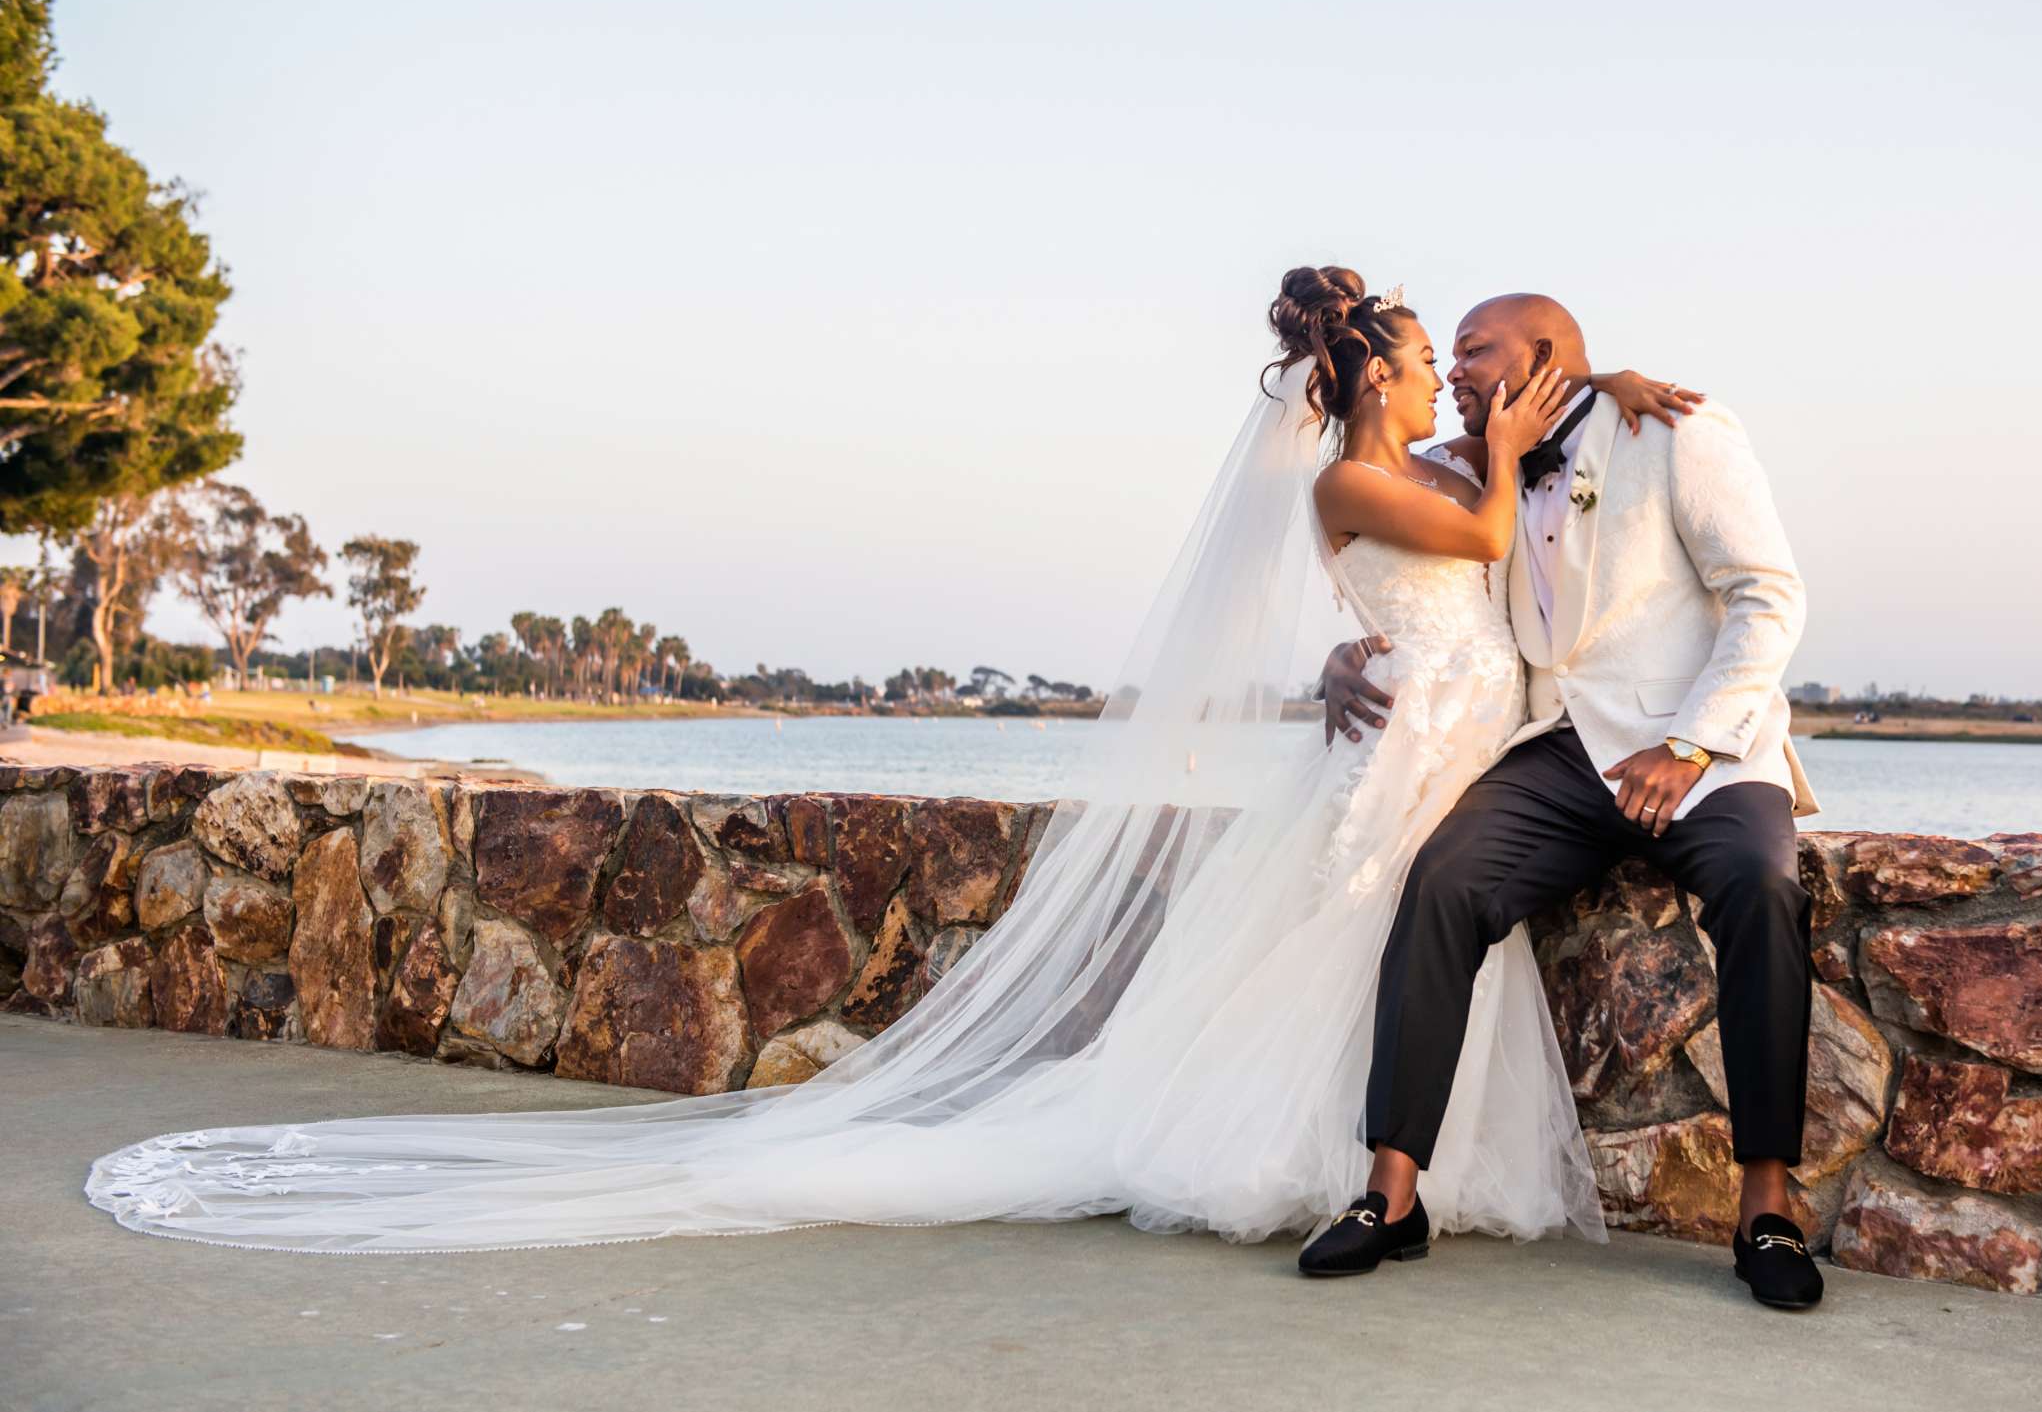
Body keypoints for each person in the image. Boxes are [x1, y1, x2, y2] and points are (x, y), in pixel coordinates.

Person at [85, 266, 1696, 1257]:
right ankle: (1315, 1161)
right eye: (1430, 360)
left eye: (1457, 367)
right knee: (1356, 939)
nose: (1452, 377)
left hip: (1451, 727)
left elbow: (1526, 482)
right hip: (1416, 738)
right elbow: (1488, 520)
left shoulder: (1412, 453)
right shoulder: (1361, 483)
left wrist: (1597, 389)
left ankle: (1410, 1166)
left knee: (1393, 947)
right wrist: (1477, 472)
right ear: (1375, 378)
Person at [1300, 292, 1822, 1308]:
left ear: (1540, 354)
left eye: (1472, 349)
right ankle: (1391, 1191)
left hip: (1699, 745)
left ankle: (1766, 1205)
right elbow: (1397, 540)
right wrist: (1341, 650)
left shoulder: (1677, 430)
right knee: (1442, 878)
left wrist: (1690, 742)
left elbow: (1771, 593)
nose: (1451, 369)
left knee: (1763, 886)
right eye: (1441, 354)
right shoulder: (1486, 454)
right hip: (1560, 749)